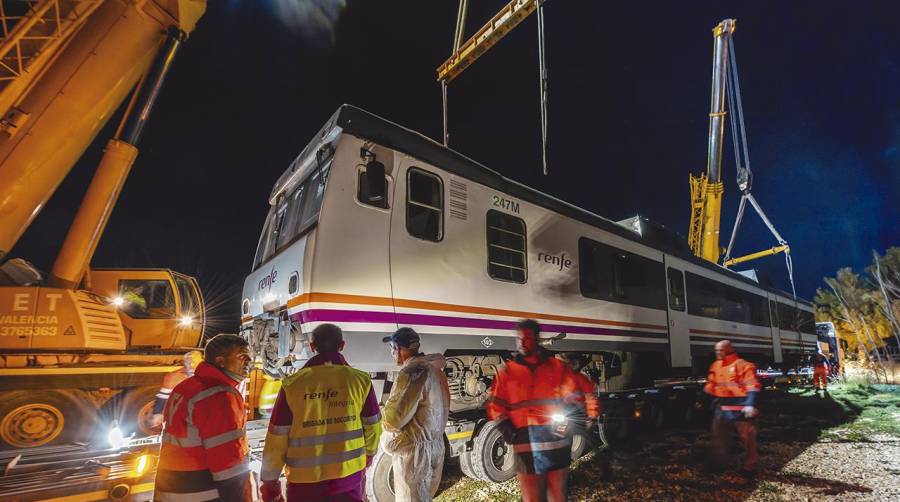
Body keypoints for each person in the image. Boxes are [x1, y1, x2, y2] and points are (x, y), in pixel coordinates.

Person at [259, 324, 382, 502]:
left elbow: (276, 440)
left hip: (304, 486)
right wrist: (368, 456)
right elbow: (373, 426)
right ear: (342, 345)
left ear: (311, 346)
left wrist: (270, 482)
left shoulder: (292, 385)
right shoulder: (360, 381)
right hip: (348, 480)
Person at [486, 319, 586, 502]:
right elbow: (495, 405)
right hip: (526, 451)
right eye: (519, 339)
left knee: (557, 497)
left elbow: (575, 399)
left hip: (558, 446)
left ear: (537, 339)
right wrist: (508, 431)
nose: (522, 343)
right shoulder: (506, 372)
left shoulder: (558, 368)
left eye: (528, 338)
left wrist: (568, 423)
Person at [154, 334, 253, 501]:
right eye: (242, 357)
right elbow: (228, 464)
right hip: (201, 493)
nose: (249, 362)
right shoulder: (219, 395)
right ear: (221, 361)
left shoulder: (185, 387)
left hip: (169, 490)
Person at [380, 327, 450, 502]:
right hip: (435, 445)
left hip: (415, 454)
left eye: (392, 348)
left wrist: (383, 410)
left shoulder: (411, 372)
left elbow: (393, 419)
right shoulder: (435, 371)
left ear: (398, 348)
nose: (391, 352)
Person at [703, 340, 761, 477]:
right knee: (719, 437)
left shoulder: (743, 365)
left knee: (747, 438)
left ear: (728, 350)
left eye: (720, 350)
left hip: (740, 407)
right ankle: (721, 463)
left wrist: (750, 404)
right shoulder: (716, 365)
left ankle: (750, 467)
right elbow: (711, 385)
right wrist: (702, 399)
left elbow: (752, 386)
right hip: (723, 407)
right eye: (716, 350)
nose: (717, 353)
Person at [150, 350, 203, 430]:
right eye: (189, 362)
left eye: (194, 362)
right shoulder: (174, 377)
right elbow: (163, 396)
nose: (191, 364)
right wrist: (157, 414)